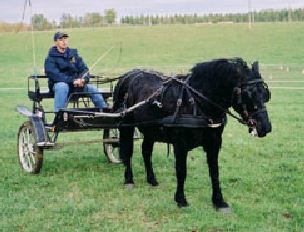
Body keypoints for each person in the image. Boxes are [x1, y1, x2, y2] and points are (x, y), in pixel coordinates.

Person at [44, 32, 107, 112]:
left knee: (93, 89)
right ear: (56, 42)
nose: (64, 42)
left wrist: (83, 79)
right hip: (59, 85)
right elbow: (55, 75)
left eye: (65, 39)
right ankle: (59, 117)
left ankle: (104, 113)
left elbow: (84, 69)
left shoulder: (74, 54)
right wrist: (73, 80)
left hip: (77, 85)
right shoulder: (50, 58)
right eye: (61, 40)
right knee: (62, 87)